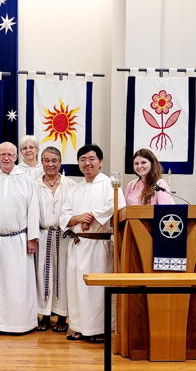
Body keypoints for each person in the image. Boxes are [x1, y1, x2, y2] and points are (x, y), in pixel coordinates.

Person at [60, 144, 126, 344]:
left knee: (96, 290)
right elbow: (64, 215)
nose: (87, 163)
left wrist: (92, 217)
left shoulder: (110, 184)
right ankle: (80, 327)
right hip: (78, 244)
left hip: (99, 245)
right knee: (77, 288)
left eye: (91, 159)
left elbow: (117, 207)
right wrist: (79, 218)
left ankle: (100, 329)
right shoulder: (76, 188)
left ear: (100, 162)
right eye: (83, 160)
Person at [0, 142, 39, 333]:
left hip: (19, 240)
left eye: (10, 154)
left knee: (19, 284)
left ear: (16, 156)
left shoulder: (26, 179)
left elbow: (33, 209)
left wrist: (33, 238)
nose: (6, 158)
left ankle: (22, 323)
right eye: (2, 154)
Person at [35, 147, 77, 332]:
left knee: (62, 275)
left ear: (60, 162)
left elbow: (75, 210)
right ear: (41, 162)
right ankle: (43, 315)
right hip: (43, 235)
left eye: (54, 160)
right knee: (43, 274)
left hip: (64, 236)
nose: (50, 164)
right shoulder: (34, 185)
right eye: (46, 160)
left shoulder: (71, 185)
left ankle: (61, 316)